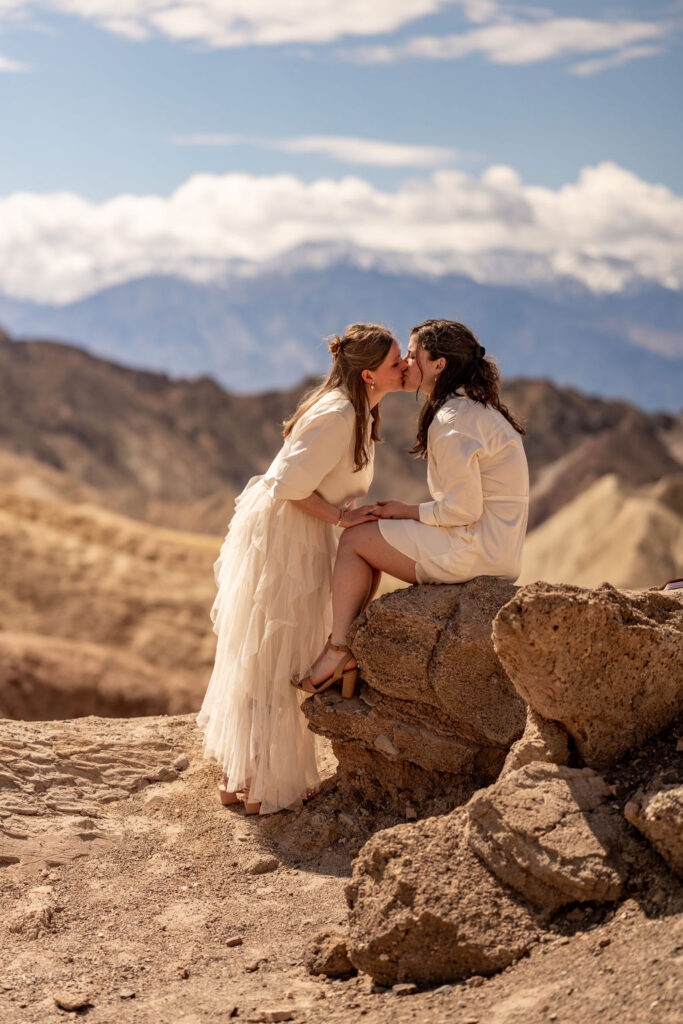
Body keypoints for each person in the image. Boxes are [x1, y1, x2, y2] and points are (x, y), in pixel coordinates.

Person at [197, 323, 406, 814]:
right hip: (289, 537)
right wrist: (343, 517)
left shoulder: (357, 407)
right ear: (371, 374)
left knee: (271, 652)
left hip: (301, 531)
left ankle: (242, 778)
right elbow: (288, 486)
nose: (405, 369)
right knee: (279, 650)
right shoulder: (338, 415)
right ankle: (266, 785)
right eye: (397, 362)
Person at [305, 318, 529, 687]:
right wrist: (404, 514)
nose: (406, 363)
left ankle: (339, 649)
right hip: (497, 549)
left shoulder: (452, 419)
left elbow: (464, 509)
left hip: (475, 549)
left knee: (356, 540)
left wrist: (406, 511)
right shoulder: (475, 409)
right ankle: (347, 648)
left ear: (439, 364)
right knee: (373, 537)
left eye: (413, 354)